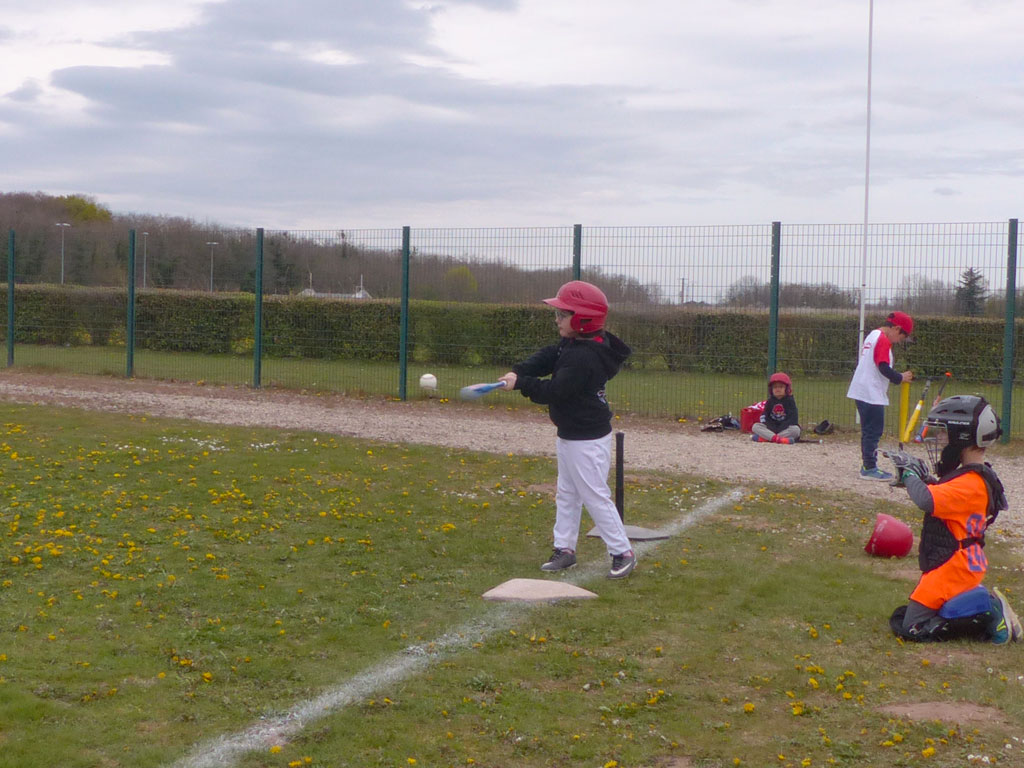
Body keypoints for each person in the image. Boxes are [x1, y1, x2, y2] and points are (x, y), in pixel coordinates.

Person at [497, 280, 636, 579]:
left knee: (594, 496)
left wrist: (521, 384)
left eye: (563, 314)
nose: (557, 319)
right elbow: (550, 356)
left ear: (584, 320)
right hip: (572, 433)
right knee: (567, 494)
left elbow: (554, 392)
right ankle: (565, 549)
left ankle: (622, 552)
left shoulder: (585, 357)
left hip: (587, 439)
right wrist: (519, 370)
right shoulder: (575, 344)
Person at [887, 396, 1022, 644]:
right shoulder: (970, 477)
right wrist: (923, 478)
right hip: (959, 563)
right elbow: (944, 496)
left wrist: (908, 474)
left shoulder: (971, 483)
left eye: (944, 434)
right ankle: (974, 602)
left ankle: (991, 611)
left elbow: (926, 500)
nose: (940, 440)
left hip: (955, 568)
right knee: (905, 618)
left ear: (963, 437)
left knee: (914, 628)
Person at [846, 311, 914, 480]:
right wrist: (900, 377)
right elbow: (882, 366)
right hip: (871, 392)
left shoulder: (873, 335)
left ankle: (867, 464)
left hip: (862, 389)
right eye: (902, 337)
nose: (899, 341)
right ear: (896, 328)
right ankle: (869, 468)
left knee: (868, 430)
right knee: (873, 431)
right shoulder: (883, 340)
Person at [751, 372, 800, 444]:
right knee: (755, 426)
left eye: (781, 387)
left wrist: (779, 428)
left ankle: (767, 438)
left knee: (796, 430)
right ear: (771, 390)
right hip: (771, 428)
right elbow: (764, 417)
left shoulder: (790, 401)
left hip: (784, 429)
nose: (778, 389)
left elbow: (793, 419)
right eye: (775, 387)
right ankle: (779, 439)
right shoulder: (770, 401)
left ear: (787, 389)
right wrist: (772, 427)